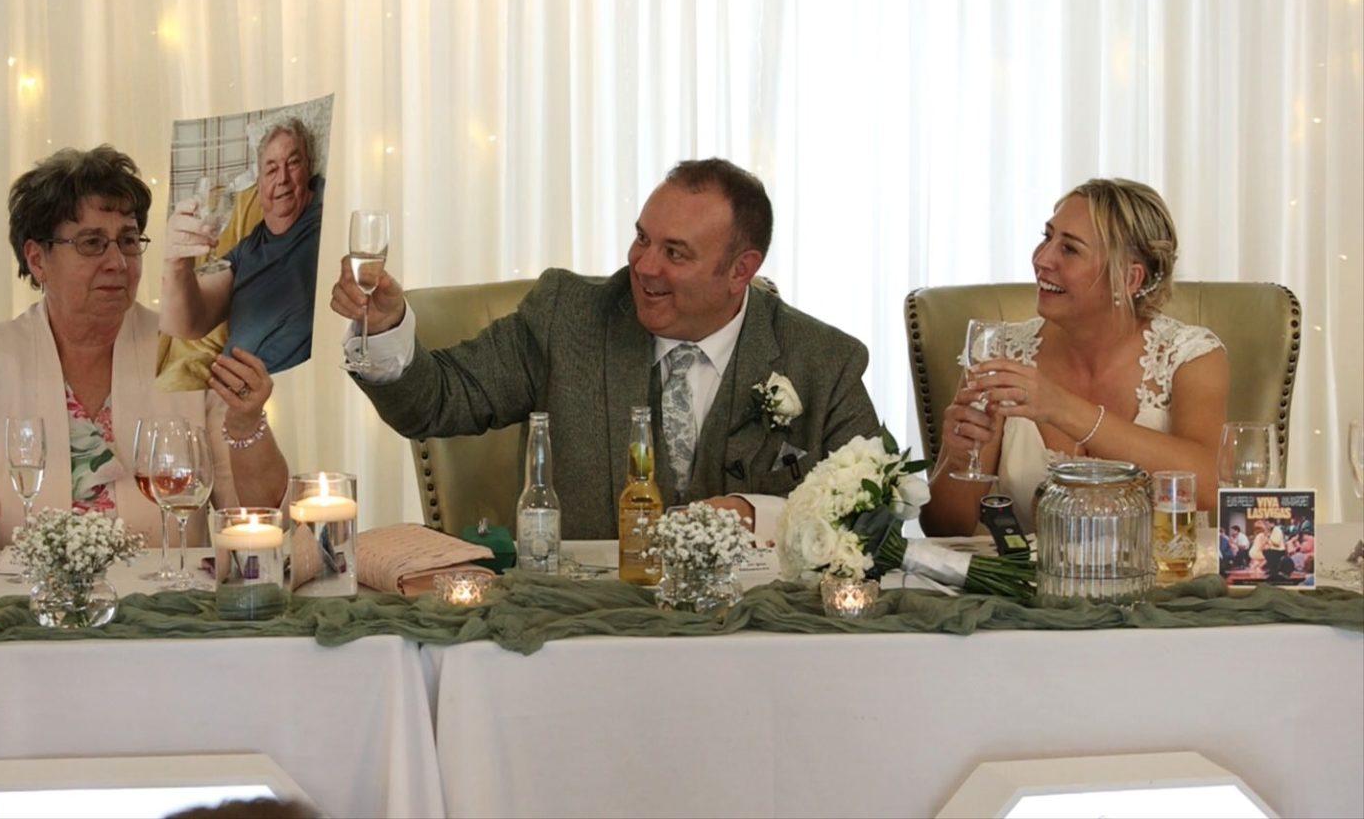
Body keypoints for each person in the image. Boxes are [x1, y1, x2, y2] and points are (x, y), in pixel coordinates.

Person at [329, 159, 881, 539]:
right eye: (642, 237)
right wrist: (385, 328)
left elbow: (877, 514)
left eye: (675, 253)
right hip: (585, 632)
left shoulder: (823, 362)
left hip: (762, 647)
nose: (643, 265)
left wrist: (759, 515)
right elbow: (436, 401)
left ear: (742, 270)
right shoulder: (567, 317)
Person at [0, 146, 289, 549]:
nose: (117, 263)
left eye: (127, 240)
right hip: (21, 603)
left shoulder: (188, 349)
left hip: (163, 603)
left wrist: (247, 425)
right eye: (91, 243)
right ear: (37, 260)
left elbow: (258, 518)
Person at [923, 178, 1229, 535]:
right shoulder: (1001, 353)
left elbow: (1209, 486)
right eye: (1046, 237)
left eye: (1069, 249)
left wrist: (1061, 408)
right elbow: (944, 531)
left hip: (1162, 583)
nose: (1042, 259)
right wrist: (958, 459)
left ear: (1129, 279)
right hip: (1025, 588)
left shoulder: (1191, 357)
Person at [160, 116, 324, 374]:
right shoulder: (246, 250)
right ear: (258, 187)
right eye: (271, 169)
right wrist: (176, 265)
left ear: (309, 168)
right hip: (235, 393)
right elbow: (186, 324)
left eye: (293, 163)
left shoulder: (326, 214)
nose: (282, 178)